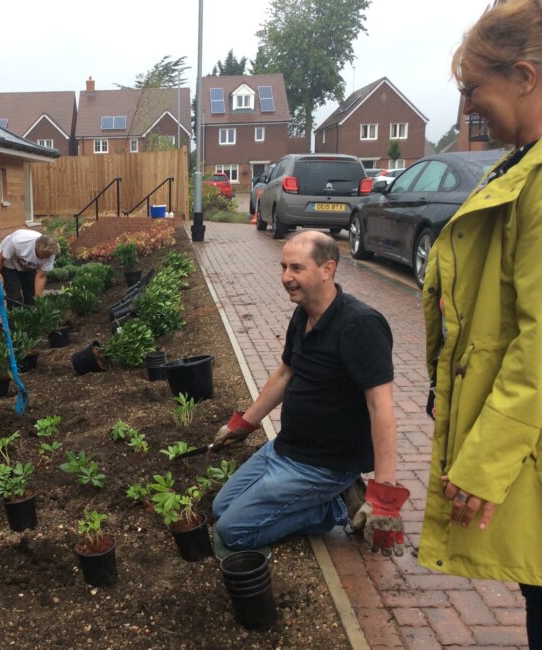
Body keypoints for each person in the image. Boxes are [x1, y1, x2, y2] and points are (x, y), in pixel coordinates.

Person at [420, 2, 542, 645]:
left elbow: (539, 343)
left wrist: (484, 461)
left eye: (472, 89)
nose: (467, 107)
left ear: (524, 76)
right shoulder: (519, 167)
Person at [211, 231, 410, 559]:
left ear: (327, 269)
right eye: (283, 267)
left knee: (233, 531)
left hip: (323, 465)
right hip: (285, 448)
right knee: (221, 508)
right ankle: (331, 498)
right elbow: (285, 373)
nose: (286, 277)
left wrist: (384, 496)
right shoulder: (304, 313)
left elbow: (381, 407)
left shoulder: (360, 325)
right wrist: (244, 424)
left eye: (296, 268)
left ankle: (333, 509)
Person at [0, 229, 60, 306]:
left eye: (48, 256)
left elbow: (41, 276)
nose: (46, 258)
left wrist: (38, 302)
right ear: (37, 246)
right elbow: (0, 259)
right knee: (15, 297)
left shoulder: (50, 253)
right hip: (9, 262)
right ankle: (15, 316)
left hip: (27, 265)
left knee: (31, 298)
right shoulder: (18, 242)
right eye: (44, 255)